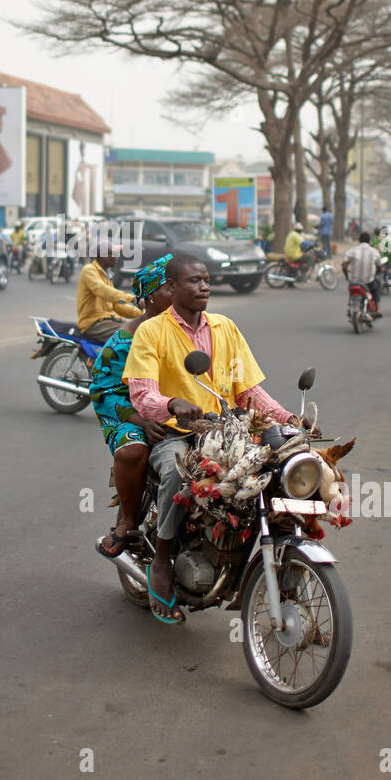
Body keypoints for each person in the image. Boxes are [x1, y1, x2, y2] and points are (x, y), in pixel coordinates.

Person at [123, 254, 296, 624]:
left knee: (281, 465)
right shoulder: (151, 332)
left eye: (206, 280)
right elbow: (141, 394)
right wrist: (172, 403)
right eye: (194, 281)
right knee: (175, 474)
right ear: (171, 287)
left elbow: (248, 391)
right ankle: (163, 558)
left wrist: (287, 418)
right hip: (177, 435)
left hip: (226, 432)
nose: (204, 287)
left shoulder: (225, 328)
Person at [92, 257, 174, 557]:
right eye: (170, 287)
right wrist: (141, 422)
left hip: (174, 413)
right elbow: (104, 391)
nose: (178, 292)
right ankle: (127, 524)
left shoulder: (188, 330)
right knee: (133, 451)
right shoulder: (123, 341)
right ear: (151, 295)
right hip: (129, 414)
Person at [77, 248, 141, 343]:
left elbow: (118, 306)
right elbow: (102, 290)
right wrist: (133, 299)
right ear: (102, 256)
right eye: (113, 254)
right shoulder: (89, 270)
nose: (117, 257)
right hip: (93, 323)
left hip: (109, 321)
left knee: (140, 331)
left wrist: (143, 314)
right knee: (131, 337)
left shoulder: (106, 275)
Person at [342, 231, 382, 316]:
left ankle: (350, 306)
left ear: (359, 240)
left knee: (351, 291)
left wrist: (347, 276)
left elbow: (344, 265)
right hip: (368, 281)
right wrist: (375, 274)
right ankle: (378, 309)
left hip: (354, 281)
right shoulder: (374, 251)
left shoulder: (352, 251)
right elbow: (379, 266)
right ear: (369, 241)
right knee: (376, 289)